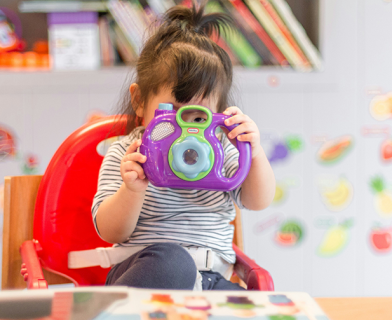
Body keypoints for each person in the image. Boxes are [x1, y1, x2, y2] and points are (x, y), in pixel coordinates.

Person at [92, 2, 275, 291]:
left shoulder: (221, 150)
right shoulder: (128, 153)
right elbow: (109, 230)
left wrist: (254, 151)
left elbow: (258, 201)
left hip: (212, 279)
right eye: (172, 113)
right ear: (140, 101)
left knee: (249, 308)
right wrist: (132, 190)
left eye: (199, 117)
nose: (185, 131)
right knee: (173, 262)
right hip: (148, 272)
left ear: (219, 114)